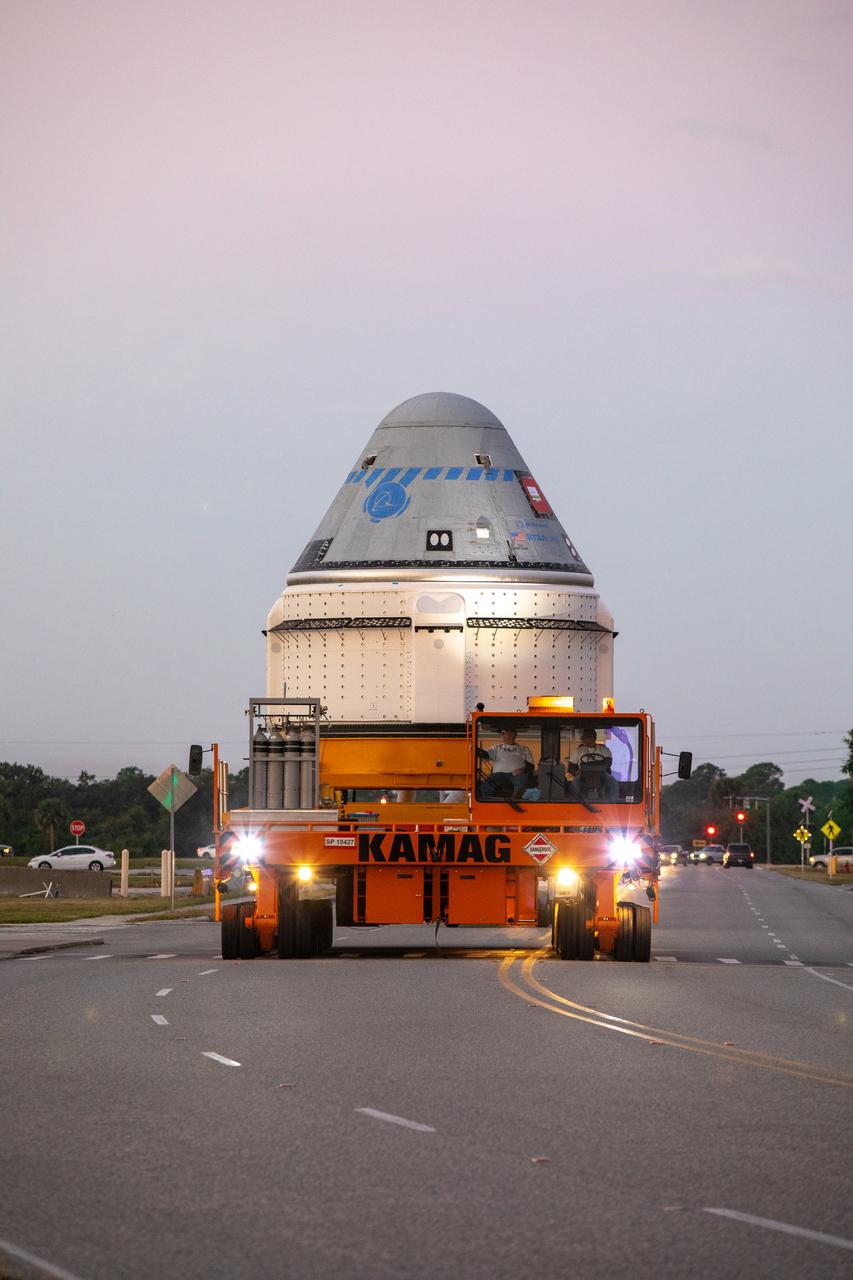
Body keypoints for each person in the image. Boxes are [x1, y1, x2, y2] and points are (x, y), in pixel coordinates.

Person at [478, 726, 534, 799]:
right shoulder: (497, 748)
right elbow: (485, 754)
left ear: (513, 734)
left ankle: (515, 800)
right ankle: (488, 803)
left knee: (522, 778)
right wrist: (476, 750)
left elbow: (531, 767)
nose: (501, 735)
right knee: (487, 783)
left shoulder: (524, 748)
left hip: (516, 775)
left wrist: (522, 770)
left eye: (504, 733)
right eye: (501, 733)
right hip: (498, 774)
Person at [566, 727, 619, 799]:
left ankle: (614, 803)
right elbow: (571, 766)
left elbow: (607, 763)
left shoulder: (604, 750)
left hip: (602, 775)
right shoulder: (578, 751)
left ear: (593, 738)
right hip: (583, 776)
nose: (583, 739)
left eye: (585, 737)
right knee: (574, 784)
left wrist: (588, 766)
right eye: (582, 737)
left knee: (613, 783)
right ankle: (574, 803)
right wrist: (576, 773)